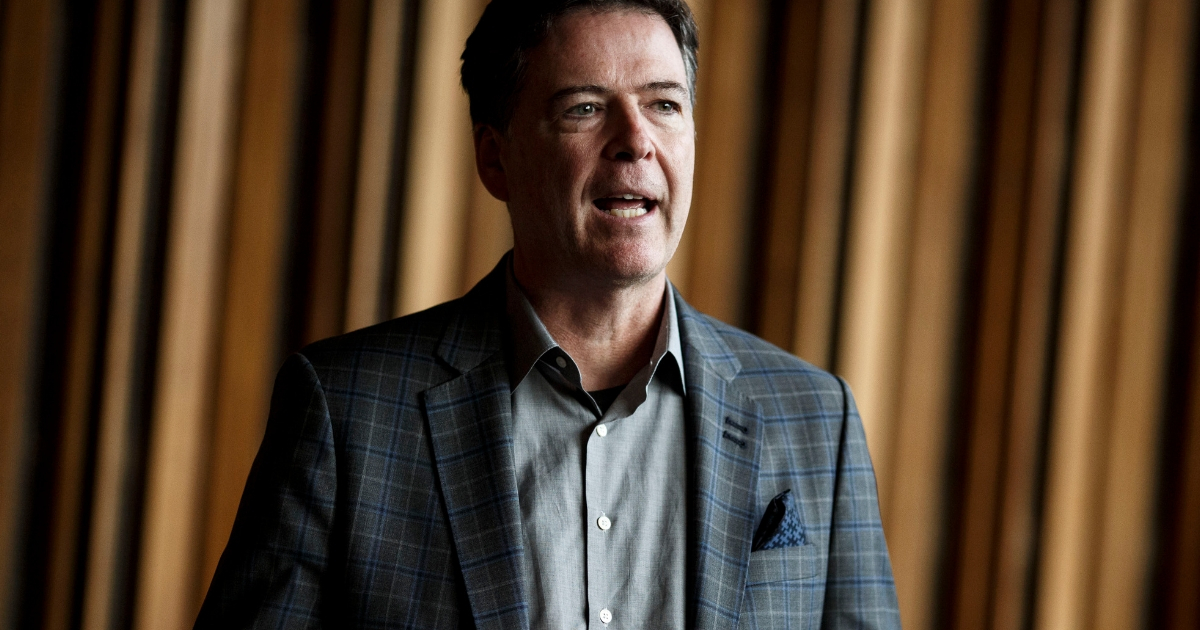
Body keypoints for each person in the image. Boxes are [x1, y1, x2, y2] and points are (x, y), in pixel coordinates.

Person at [195, 0, 900, 628]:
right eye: (585, 108)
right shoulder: (346, 412)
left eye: (663, 104)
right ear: (495, 159)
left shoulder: (814, 418)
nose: (635, 140)